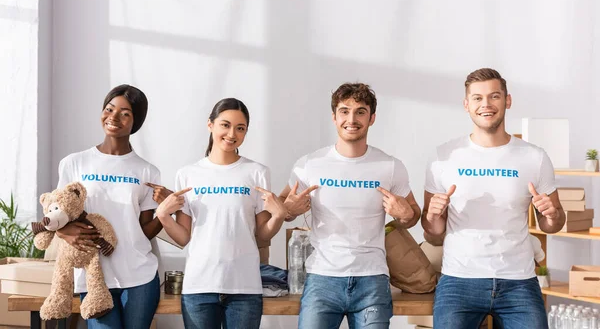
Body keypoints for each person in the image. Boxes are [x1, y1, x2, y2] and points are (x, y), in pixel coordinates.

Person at [422, 68, 566, 328]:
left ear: (507, 100)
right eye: (477, 98)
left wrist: (552, 215)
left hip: (519, 282)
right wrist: (433, 216)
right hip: (458, 281)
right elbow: (432, 234)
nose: (485, 104)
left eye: (494, 96)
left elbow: (553, 225)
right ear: (466, 105)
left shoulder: (535, 157)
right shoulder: (443, 156)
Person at [281, 82, 421, 329]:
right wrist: (288, 210)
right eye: (344, 111)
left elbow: (413, 215)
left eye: (360, 111)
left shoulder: (390, 166)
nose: (352, 119)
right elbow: (285, 209)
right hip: (323, 279)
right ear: (334, 117)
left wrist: (405, 215)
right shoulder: (309, 164)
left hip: (372, 280)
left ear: (372, 118)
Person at [156, 98, 287, 329]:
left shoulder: (257, 173)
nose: (231, 133)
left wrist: (277, 216)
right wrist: (164, 216)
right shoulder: (188, 174)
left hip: (244, 289)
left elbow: (262, 236)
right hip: (199, 288)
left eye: (240, 128)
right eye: (225, 125)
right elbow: (183, 237)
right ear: (210, 125)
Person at [56, 84, 163, 329]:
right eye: (109, 109)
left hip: (139, 276)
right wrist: (63, 231)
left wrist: (165, 210)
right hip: (94, 276)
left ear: (136, 121)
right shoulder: (75, 163)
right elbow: (59, 211)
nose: (114, 117)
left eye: (125, 113)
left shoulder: (147, 171)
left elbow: (145, 229)